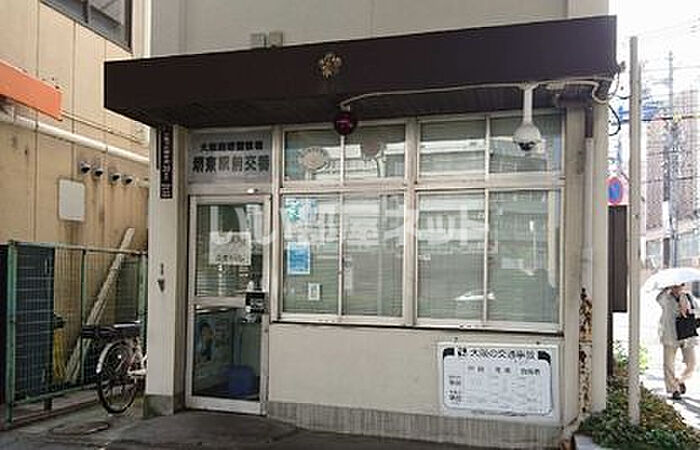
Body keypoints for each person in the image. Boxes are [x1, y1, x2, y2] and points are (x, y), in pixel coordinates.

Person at [656, 283, 697, 400]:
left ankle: (679, 381)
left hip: (686, 335)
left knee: (691, 363)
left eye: (680, 285)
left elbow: (697, 312)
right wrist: (666, 289)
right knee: (668, 364)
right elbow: (658, 299)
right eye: (675, 286)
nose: (678, 288)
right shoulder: (665, 298)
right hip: (670, 335)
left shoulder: (688, 297)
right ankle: (674, 390)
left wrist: (687, 310)